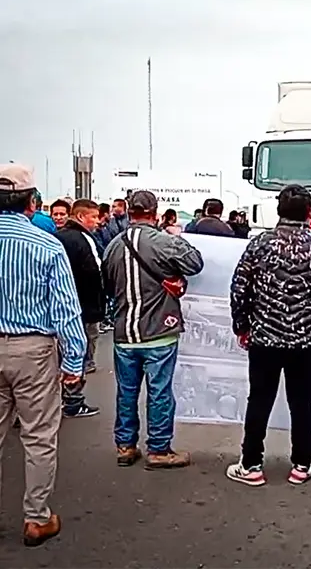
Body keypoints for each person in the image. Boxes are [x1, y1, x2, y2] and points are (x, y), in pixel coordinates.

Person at [226, 185, 311, 486]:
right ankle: (301, 465)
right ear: (310, 212)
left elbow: (239, 288)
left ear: (279, 210)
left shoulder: (259, 245)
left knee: (259, 399)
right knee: (301, 401)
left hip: (264, 337)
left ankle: (251, 464)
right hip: (306, 339)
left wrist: (242, 326)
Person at [0, 163, 88, 547]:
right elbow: (66, 310)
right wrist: (73, 361)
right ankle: (36, 518)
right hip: (32, 350)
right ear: (31, 202)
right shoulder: (46, 245)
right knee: (38, 436)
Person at [102, 190, 205, 469]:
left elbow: (108, 287)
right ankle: (158, 449)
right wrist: (177, 240)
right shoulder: (165, 241)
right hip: (159, 329)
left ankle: (125, 446)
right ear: (154, 213)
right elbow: (195, 263)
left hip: (125, 332)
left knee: (126, 392)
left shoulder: (113, 246)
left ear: (129, 212)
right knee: (159, 392)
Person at [54, 199, 105, 418]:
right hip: (84, 305)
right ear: (81, 216)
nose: (97, 221)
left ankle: (56, 400)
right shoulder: (84, 239)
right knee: (79, 351)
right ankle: (73, 401)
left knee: (58, 353)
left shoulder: (57, 238)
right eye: (94, 217)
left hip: (60, 306)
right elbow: (95, 272)